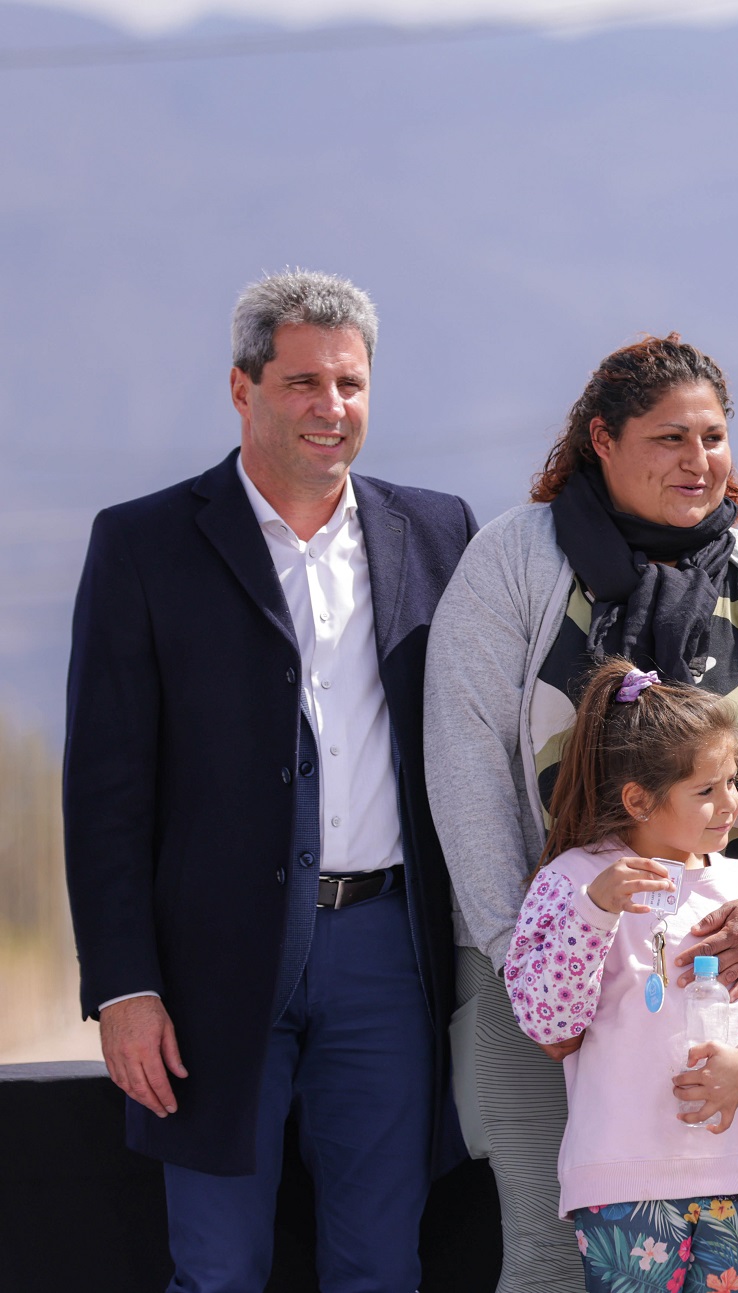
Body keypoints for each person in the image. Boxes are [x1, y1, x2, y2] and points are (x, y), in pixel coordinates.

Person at [64, 269, 477, 1290]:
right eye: (301, 383)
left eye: (349, 384)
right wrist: (124, 984)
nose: (330, 409)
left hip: (389, 957)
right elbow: (105, 787)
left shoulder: (438, 533)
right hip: (208, 967)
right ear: (242, 390)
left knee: (381, 1264)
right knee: (218, 1267)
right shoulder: (144, 543)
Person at [425, 334, 738, 1291]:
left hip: (720, 968)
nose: (698, 461)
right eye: (669, 438)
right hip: (536, 977)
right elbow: (464, 767)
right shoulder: (511, 561)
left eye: (713, 436)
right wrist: (527, 960)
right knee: (546, 1247)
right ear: (602, 440)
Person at [506, 660, 738, 1293]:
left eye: (734, 782)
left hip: (737, 1175)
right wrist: (594, 914)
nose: (732, 805)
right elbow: (546, 1019)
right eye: (706, 789)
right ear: (638, 799)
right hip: (620, 1180)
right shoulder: (573, 880)